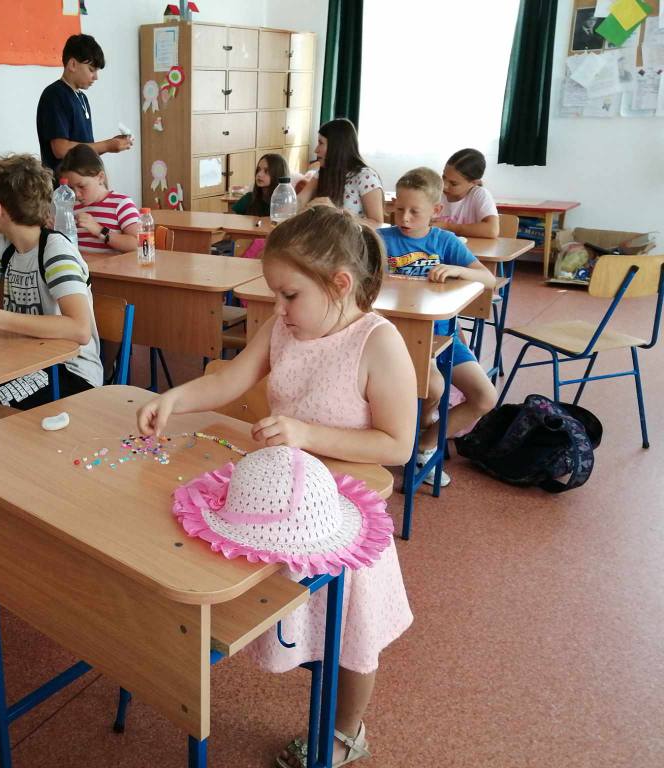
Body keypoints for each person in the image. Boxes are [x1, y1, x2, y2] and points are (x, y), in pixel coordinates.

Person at [137, 207, 416, 768]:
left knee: (351, 636)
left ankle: (346, 731)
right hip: (278, 506)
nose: (278, 309)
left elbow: (397, 445)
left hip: (341, 517)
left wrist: (307, 434)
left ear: (340, 284)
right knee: (292, 615)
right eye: (275, 295)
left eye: (289, 295)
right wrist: (174, 398)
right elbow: (229, 379)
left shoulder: (377, 343)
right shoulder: (283, 328)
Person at [0, 154, 102, 409]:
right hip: (22, 359)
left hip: (70, 370)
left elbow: (79, 329)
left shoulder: (54, 250)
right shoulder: (3, 246)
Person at [380, 167, 497, 486]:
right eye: (399, 209)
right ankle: (410, 432)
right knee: (433, 387)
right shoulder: (381, 240)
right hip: (396, 338)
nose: (404, 218)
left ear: (436, 210)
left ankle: (424, 443)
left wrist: (459, 271)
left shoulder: (444, 241)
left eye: (414, 211)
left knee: (485, 397)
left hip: (442, 336)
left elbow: (488, 279)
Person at [36, 34, 133, 177]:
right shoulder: (55, 94)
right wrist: (107, 145)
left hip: (84, 182)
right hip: (64, 185)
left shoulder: (82, 98)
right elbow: (61, 150)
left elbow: (84, 149)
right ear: (73, 65)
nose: (96, 77)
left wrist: (112, 143)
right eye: (91, 70)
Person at [296, 118, 384, 228]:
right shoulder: (322, 172)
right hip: (323, 235)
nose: (316, 150)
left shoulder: (366, 177)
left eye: (321, 143)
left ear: (337, 146)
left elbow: (377, 223)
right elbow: (300, 201)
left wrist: (338, 215)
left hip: (351, 238)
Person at [59, 144, 140, 254]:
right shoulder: (72, 207)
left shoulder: (122, 204)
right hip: (80, 265)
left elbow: (136, 243)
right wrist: (57, 230)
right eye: (71, 188)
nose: (76, 194)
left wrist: (99, 230)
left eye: (81, 186)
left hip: (111, 265)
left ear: (100, 178)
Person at [433, 148, 500, 239]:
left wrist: (447, 227)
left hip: (471, 247)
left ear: (474, 183)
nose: (444, 186)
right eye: (443, 177)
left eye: (453, 183)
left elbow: (492, 230)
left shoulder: (479, 194)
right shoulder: (434, 193)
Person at [232, 153, 290, 217]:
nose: (259, 174)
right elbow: (231, 218)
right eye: (258, 170)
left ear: (278, 174)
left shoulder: (286, 201)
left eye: (266, 171)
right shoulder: (249, 198)